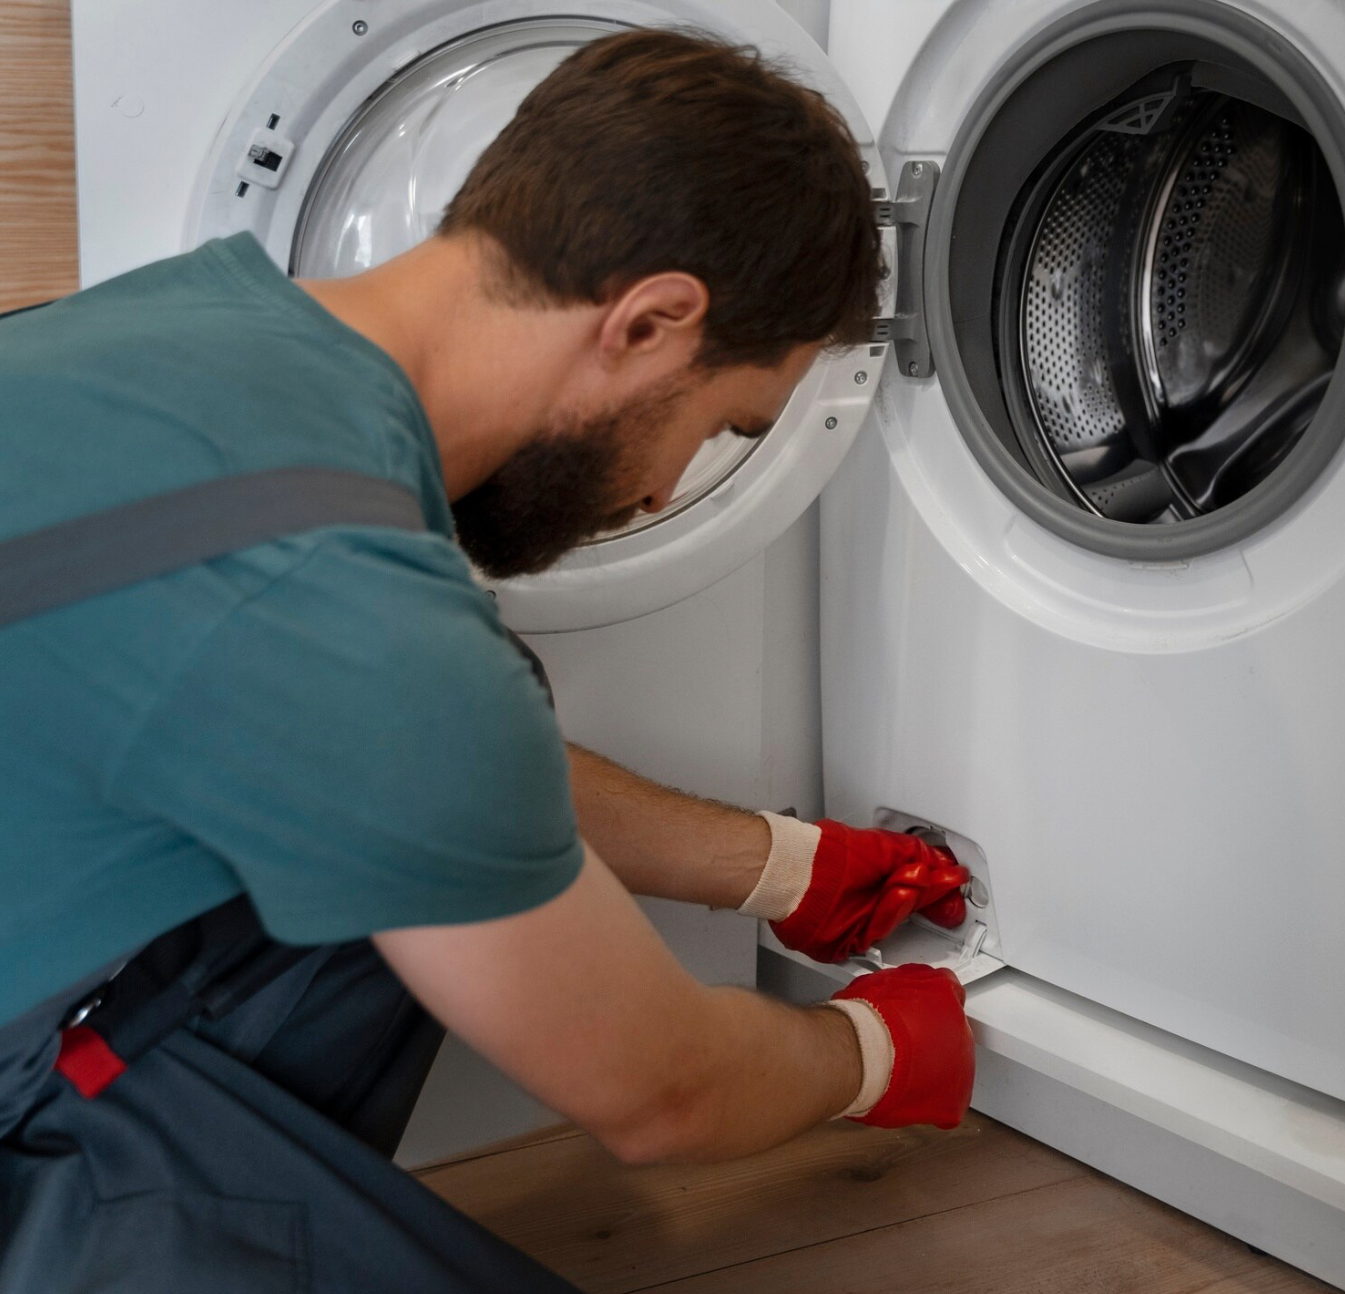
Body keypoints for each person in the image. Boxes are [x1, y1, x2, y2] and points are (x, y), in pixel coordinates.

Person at [0, 29, 974, 1292]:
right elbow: (663, 1095)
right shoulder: (338, 596)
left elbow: (399, 760)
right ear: (652, 322)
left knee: (486, 692)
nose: (667, 487)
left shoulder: (186, 332)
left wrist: (778, 870)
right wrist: (875, 1052)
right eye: (723, 422)